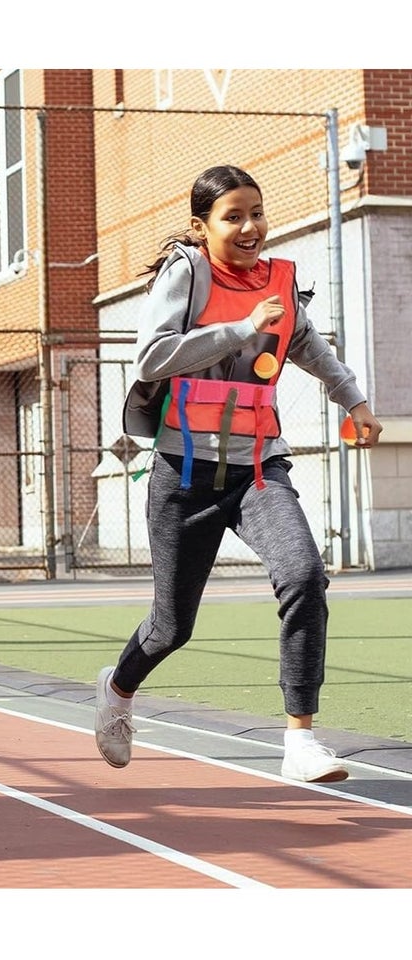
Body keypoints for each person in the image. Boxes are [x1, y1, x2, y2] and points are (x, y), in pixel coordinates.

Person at [96, 165, 383, 783]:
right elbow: (151, 357)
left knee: (304, 574)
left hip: (258, 466)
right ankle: (117, 691)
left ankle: (300, 740)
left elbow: (306, 344)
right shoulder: (187, 273)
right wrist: (241, 327)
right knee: (172, 627)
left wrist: (354, 400)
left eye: (257, 212)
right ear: (202, 226)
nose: (250, 226)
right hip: (184, 471)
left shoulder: (278, 280)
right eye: (233, 216)